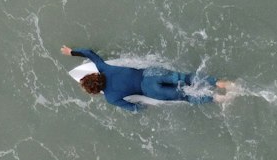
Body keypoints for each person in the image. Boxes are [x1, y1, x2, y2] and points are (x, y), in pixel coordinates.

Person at [60, 46, 232, 112]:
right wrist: (71, 52)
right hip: (150, 75)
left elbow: (135, 108)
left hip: (150, 91)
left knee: (186, 97)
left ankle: (217, 98)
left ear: (96, 91)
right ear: (94, 74)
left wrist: (142, 105)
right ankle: (218, 82)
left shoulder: (111, 98)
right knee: (186, 78)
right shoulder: (104, 68)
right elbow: (89, 53)